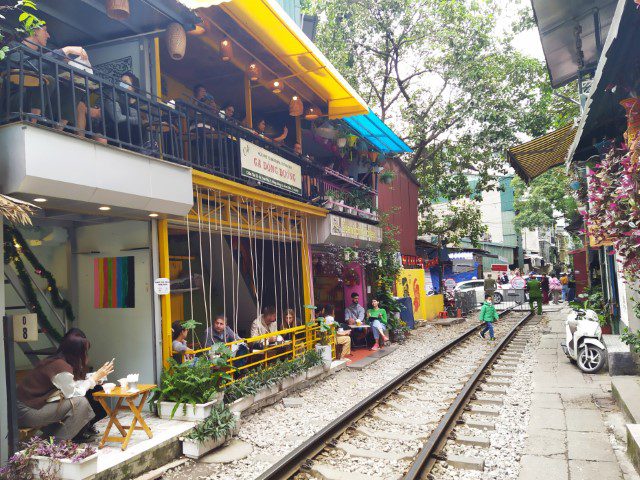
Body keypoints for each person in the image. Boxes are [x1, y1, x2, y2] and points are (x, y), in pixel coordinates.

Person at [16, 332, 114, 441]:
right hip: (26, 412)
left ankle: (49, 440)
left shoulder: (56, 360)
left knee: (82, 400)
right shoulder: (60, 367)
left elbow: (72, 385)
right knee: (81, 403)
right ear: (77, 352)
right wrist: (94, 378)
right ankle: (56, 444)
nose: (86, 354)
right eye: (84, 351)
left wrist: (94, 379)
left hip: (26, 408)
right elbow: (72, 393)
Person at [9, 25, 101, 133]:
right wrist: (65, 50)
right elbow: (32, 66)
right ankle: (32, 124)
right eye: (46, 30)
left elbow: (43, 64)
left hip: (45, 105)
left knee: (75, 89)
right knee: (46, 80)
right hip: (17, 100)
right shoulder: (14, 47)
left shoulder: (42, 56)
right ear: (34, 31)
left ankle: (59, 129)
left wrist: (66, 64)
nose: (48, 35)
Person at [104, 72, 144, 147]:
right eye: (121, 82)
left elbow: (142, 122)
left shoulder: (140, 104)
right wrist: (135, 119)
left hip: (136, 144)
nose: (121, 85)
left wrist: (133, 119)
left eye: (125, 82)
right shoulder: (115, 97)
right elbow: (118, 118)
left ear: (133, 87)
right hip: (116, 141)